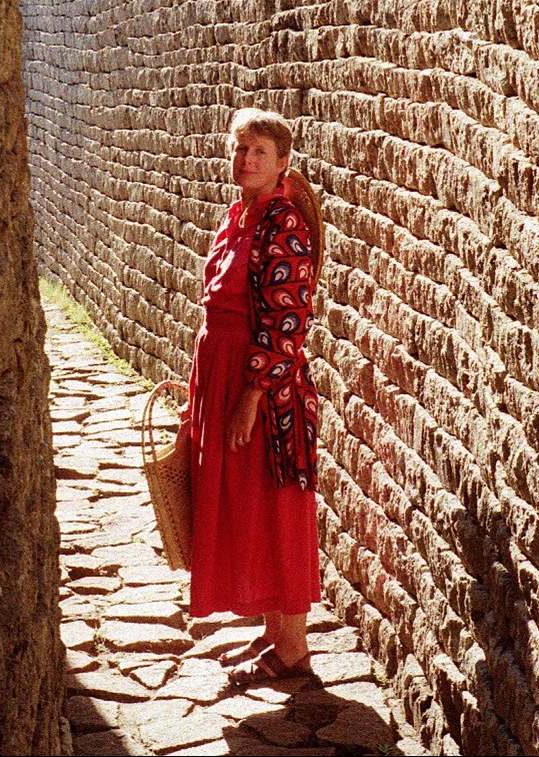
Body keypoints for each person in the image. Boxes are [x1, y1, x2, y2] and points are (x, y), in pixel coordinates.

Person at [179, 107, 320, 681]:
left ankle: (292, 649)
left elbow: (290, 319)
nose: (246, 161)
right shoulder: (239, 216)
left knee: (272, 505)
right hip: (221, 374)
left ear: (282, 162)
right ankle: (273, 637)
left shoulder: (283, 223)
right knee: (246, 508)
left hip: (262, 388)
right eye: (240, 150)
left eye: (259, 152)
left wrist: (252, 394)